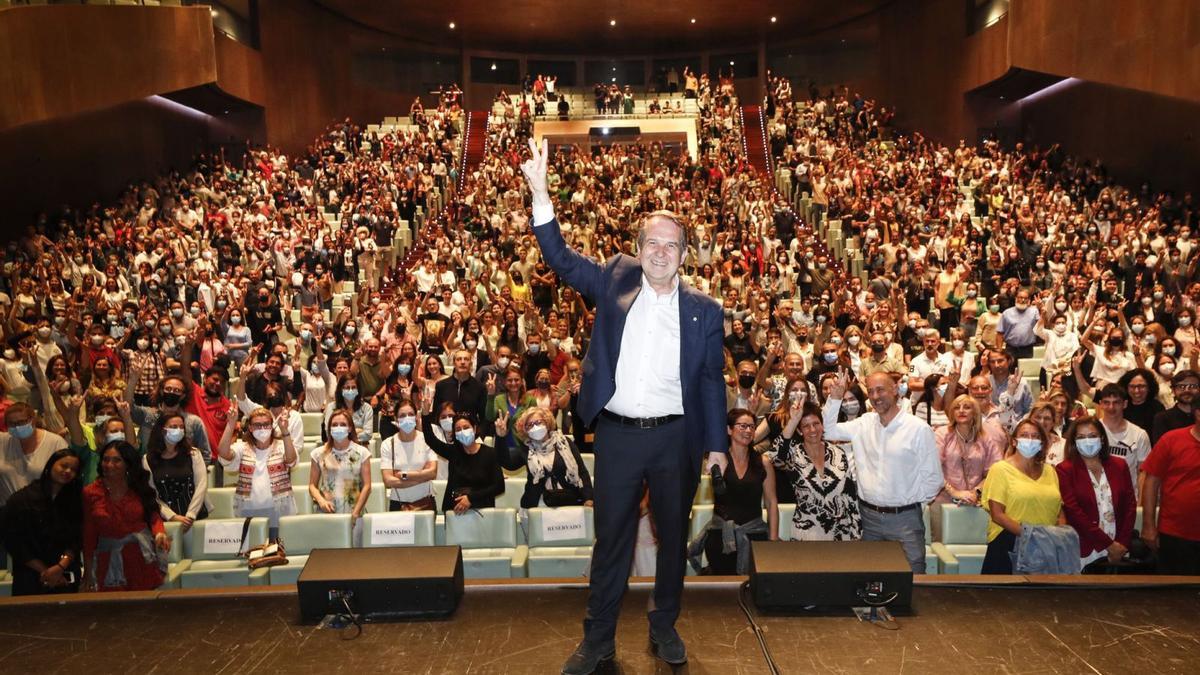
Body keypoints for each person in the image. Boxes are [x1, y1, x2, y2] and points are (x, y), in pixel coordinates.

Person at [523, 138, 727, 672]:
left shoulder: (705, 310)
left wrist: (716, 445)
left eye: (671, 245)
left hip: (675, 438)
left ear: (684, 254)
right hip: (617, 433)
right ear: (638, 248)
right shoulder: (613, 276)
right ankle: (598, 640)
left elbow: (710, 381)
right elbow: (562, 261)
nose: (661, 252)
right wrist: (542, 197)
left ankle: (663, 628)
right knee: (610, 539)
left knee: (672, 536)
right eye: (652, 243)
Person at [823, 371, 942, 572]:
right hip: (868, 518)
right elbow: (828, 431)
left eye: (880, 390)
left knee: (912, 577)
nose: (876, 396)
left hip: (905, 520)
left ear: (895, 389)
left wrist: (908, 502)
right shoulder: (864, 423)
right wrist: (835, 398)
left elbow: (934, 479)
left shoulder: (918, 429)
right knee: (873, 579)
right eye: (870, 391)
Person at [689, 408, 777, 574]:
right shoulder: (717, 461)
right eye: (743, 426)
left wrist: (772, 540)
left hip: (755, 536)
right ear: (729, 429)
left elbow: (772, 503)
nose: (748, 431)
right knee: (722, 592)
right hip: (721, 537)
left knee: (753, 591)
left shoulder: (763, 462)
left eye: (752, 427)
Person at [82, 441, 171, 591]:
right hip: (108, 560)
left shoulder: (138, 486)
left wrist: (159, 532)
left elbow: (153, 515)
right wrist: (88, 571)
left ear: (128, 464)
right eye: (105, 459)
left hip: (140, 558)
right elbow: (88, 535)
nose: (109, 465)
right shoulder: (90, 492)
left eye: (116, 460)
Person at [979, 420, 1066, 574]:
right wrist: (1031, 536)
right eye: (1025, 435)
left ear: (1041, 443)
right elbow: (997, 514)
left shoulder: (1050, 471)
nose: (1030, 440)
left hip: (1047, 545)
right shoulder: (1000, 469)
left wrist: (1058, 535)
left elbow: (1059, 509)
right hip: (1009, 543)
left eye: (1035, 436)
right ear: (1014, 441)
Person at [1056, 418, 1136, 572]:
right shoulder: (1065, 470)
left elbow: (1130, 506)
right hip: (1086, 547)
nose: (1087, 441)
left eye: (1092, 436)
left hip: (1119, 547)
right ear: (1073, 442)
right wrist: (1108, 545)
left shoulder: (1120, 465)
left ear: (1102, 438)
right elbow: (1074, 512)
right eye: (1081, 437)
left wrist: (1121, 544)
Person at [0, 449, 82, 595]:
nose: (68, 471)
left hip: (65, 575)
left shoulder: (76, 500)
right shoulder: (21, 500)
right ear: (50, 465)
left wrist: (60, 567)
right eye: (64, 466)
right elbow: (13, 541)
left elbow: (77, 538)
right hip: (30, 576)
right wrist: (45, 571)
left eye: (73, 469)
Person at [772, 401, 858, 541]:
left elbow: (850, 496)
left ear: (822, 425)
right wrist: (793, 421)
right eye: (806, 426)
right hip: (806, 533)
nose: (812, 430)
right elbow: (775, 457)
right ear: (799, 430)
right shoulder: (793, 455)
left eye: (816, 424)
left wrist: (856, 532)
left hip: (841, 533)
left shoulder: (838, 452)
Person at [216, 405, 298, 541]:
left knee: (277, 554)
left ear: (272, 426)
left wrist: (285, 431)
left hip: (279, 511)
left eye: (266, 424)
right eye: (257, 425)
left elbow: (291, 461)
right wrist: (230, 424)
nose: (262, 428)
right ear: (250, 428)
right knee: (252, 554)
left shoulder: (282, 445)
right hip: (248, 511)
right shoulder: (242, 448)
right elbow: (223, 453)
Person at [1141, 407, 1200, 575]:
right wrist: (1148, 526)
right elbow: (1151, 482)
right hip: (1175, 534)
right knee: (1174, 595)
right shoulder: (1171, 440)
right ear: (1198, 413)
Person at [422, 406, 504, 514]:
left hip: (482, 511)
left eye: (466, 427)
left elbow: (499, 487)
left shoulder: (490, 453)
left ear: (474, 429)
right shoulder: (453, 452)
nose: (462, 431)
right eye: (458, 429)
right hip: (454, 511)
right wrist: (425, 415)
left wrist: (470, 498)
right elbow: (430, 439)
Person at [309, 409, 372, 546]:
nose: (338, 428)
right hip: (327, 511)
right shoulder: (318, 454)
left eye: (343, 424)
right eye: (334, 424)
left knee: (354, 558)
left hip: (354, 512)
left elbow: (367, 486)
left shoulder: (362, 452)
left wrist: (355, 514)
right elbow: (312, 486)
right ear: (329, 428)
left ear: (350, 428)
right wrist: (320, 501)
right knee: (329, 557)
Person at [514, 406, 594, 508]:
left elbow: (582, 472)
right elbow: (507, 463)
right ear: (526, 430)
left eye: (538, 422)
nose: (535, 427)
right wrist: (501, 437)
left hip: (569, 501)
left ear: (547, 423)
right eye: (530, 425)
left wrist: (588, 498)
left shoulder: (565, 443)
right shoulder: (526, 450)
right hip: (537, 504)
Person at [933, 395, 1006, 506]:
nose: (961, 410)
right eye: (957, 408)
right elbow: (933, 469)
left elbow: (994, 472)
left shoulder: (985, 438)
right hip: (944, 500)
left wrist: (976, 492)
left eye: (966, 407)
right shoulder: (942, 434)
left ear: (975, 413)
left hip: (975, 501)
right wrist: (954, 492)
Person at [143, 413, 209, 531]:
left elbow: (201, 485)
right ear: (162, 430)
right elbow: (152, 494)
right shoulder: (148, 460)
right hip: (165, 521)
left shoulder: (193, 454)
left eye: (181, 427)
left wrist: (190, 516)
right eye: (173, 427)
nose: (178, 430)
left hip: (195, 518)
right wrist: (172, 516)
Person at [0, 403, 69, 507]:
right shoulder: (3, 441)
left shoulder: (56, 443)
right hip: (7, 513)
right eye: (12, 424)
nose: (17, 427)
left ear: (33, 419)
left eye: (21, 422)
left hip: (43, 512)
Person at [1092, 384, 1151, 499]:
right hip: (1096, 497)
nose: (1111, 407)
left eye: (1116, 402)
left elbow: (1143, 473)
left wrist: (1140, 502)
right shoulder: (1091, 431)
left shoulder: (1139, 434)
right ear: (1100, 404)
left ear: (1125, 404)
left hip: (1127, 498)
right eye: (1106, 402)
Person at [379, 399, 437, 511]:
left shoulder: (428, 440)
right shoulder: (388, 444)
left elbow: (432, 473)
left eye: (410, 414)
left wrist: (404, 475)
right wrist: (422, 477)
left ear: (416, 417)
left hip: (425, 501)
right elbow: (388, 480)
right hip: (398, 503)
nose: (407, 418)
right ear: (395, 418)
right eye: (402, 415)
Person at [1151, 369, 1200, 445]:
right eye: (1181, 386)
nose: (1186, 390)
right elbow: (1161, 450)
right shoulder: (1162, 418)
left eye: (1192, 386)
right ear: (1173, 391)